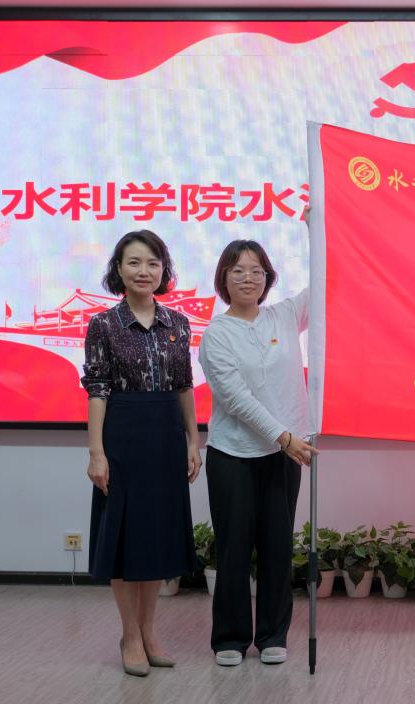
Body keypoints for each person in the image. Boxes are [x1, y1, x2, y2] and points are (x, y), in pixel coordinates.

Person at [82, 229, 201, 677]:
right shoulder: (104, 324)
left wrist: (193, 440)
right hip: (123, 437)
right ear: (118, 269)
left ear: (163, 270)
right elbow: (97, 390)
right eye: (134, 262)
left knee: (155, 538)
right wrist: (96, 452)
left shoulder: (178, 323)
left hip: (166, 437)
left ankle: (150, 633)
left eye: (152, 263)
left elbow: (184, 385)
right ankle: (129, 635)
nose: (143, 271)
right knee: (122, 539)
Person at [198, 240, 317, 667]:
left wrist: (316, 225)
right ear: (223, 279)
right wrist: (284, 437)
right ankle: (229, 638)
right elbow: (236, 399)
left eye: (256, 271)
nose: (248, 278)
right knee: (233, 548)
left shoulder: (284, 315)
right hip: (234, 454)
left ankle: (272, 635)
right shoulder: (217, 333)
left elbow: (325, 282)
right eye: (238, 271)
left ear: (268, 278)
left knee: (277, 547)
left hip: (283, 457)